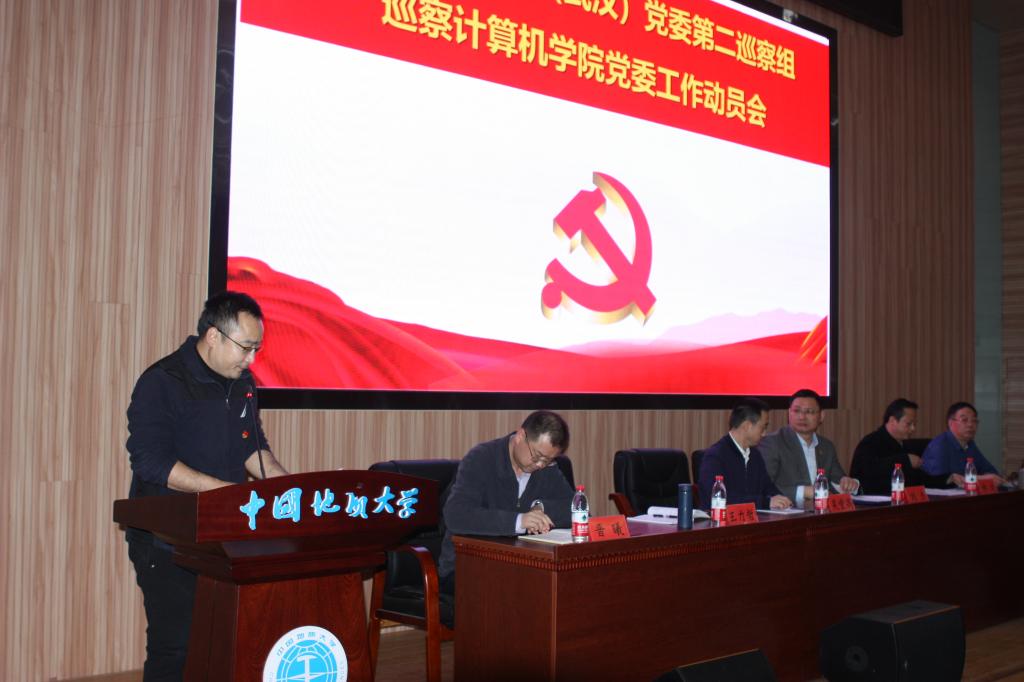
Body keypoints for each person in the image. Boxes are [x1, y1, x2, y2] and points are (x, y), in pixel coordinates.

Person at [125, 291, 288, 681]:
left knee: (224, 642)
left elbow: (252, 448)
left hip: (222, 537)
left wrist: (291, 490)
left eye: (257, 349)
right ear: (214, 336)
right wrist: (226, 493)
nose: (251, 360)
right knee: (176, 647)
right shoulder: (163, 381)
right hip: (167, 539)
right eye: (246, 348)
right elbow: (151, 462)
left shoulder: (242, 383)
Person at [438, 410, 575, 594]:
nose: (540, 465)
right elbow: (456, 515)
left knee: (564, 589)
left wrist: (540, 507)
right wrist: (518, 521)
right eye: (537, 456)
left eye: (548, 460)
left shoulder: (547, 469)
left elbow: (578, 510)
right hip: (467, 567)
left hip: (520, 565)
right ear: (520, 436)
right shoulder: (482, 458)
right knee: (520, 594)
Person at [759, 389, 859, 505]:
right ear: (789, 413)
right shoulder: (772, 443)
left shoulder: (826, 446)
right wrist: (803, 492)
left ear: (821, 416)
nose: (802, 417)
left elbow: (838, 481)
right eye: (796, 411)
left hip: (821, 511)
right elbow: (762, 487)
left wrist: (848, 483)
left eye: (809, 412)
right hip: (787, 512)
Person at [697, 398, 792, 510]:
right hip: (719, 520)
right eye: (763, 427)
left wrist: (782, 499)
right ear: (747, 426)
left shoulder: (755, 455)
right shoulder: (715, 456)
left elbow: (768, 488)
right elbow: (720, 499)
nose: (764, 434)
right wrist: (766, 502)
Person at [850, 398, 959, 495]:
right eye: (908, 424)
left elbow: (919, 479)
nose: (913, 429)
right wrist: (905, 460)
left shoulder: (904, 444)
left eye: (914, 424)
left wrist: (948, 479)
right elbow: (869, 471)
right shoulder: (870, 442)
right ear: (892, 421)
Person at [921, 402, 1004, 484]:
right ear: (950, 423)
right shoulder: (940, 445)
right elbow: (942, 481)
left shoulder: (970, 444)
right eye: (964, 420)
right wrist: (980, 478)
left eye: (974, 421)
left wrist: (990, 478)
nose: (970, 425)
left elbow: (990, 472)